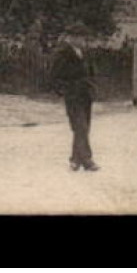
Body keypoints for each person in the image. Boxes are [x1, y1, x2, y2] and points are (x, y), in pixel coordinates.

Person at [48, 25, 99, 172]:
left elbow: (91, 71)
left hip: (86, 94)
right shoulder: (62, 53)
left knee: (83, 127)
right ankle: (87, 160)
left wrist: (93, 86)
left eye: (83, 37)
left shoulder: (85, 52)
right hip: (73, 94)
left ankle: (76, 160)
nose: (83, 40)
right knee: (80, 126)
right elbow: (54, 75)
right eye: (80, 37)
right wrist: (63, 90)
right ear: (72, 38)